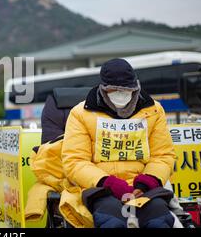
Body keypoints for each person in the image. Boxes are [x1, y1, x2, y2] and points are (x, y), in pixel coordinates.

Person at [61, 58, 177, 228]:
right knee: (111, 222)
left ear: (135, 87)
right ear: (104, 89)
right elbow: (74, 160)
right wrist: (107, 183)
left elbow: (163, 154)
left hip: (144, 189)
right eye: (114, 90)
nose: (121, 94)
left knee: (159, 220)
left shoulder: (153, 110)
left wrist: (147, 181)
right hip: (101, 189)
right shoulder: (80, 113)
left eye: (126, 90)